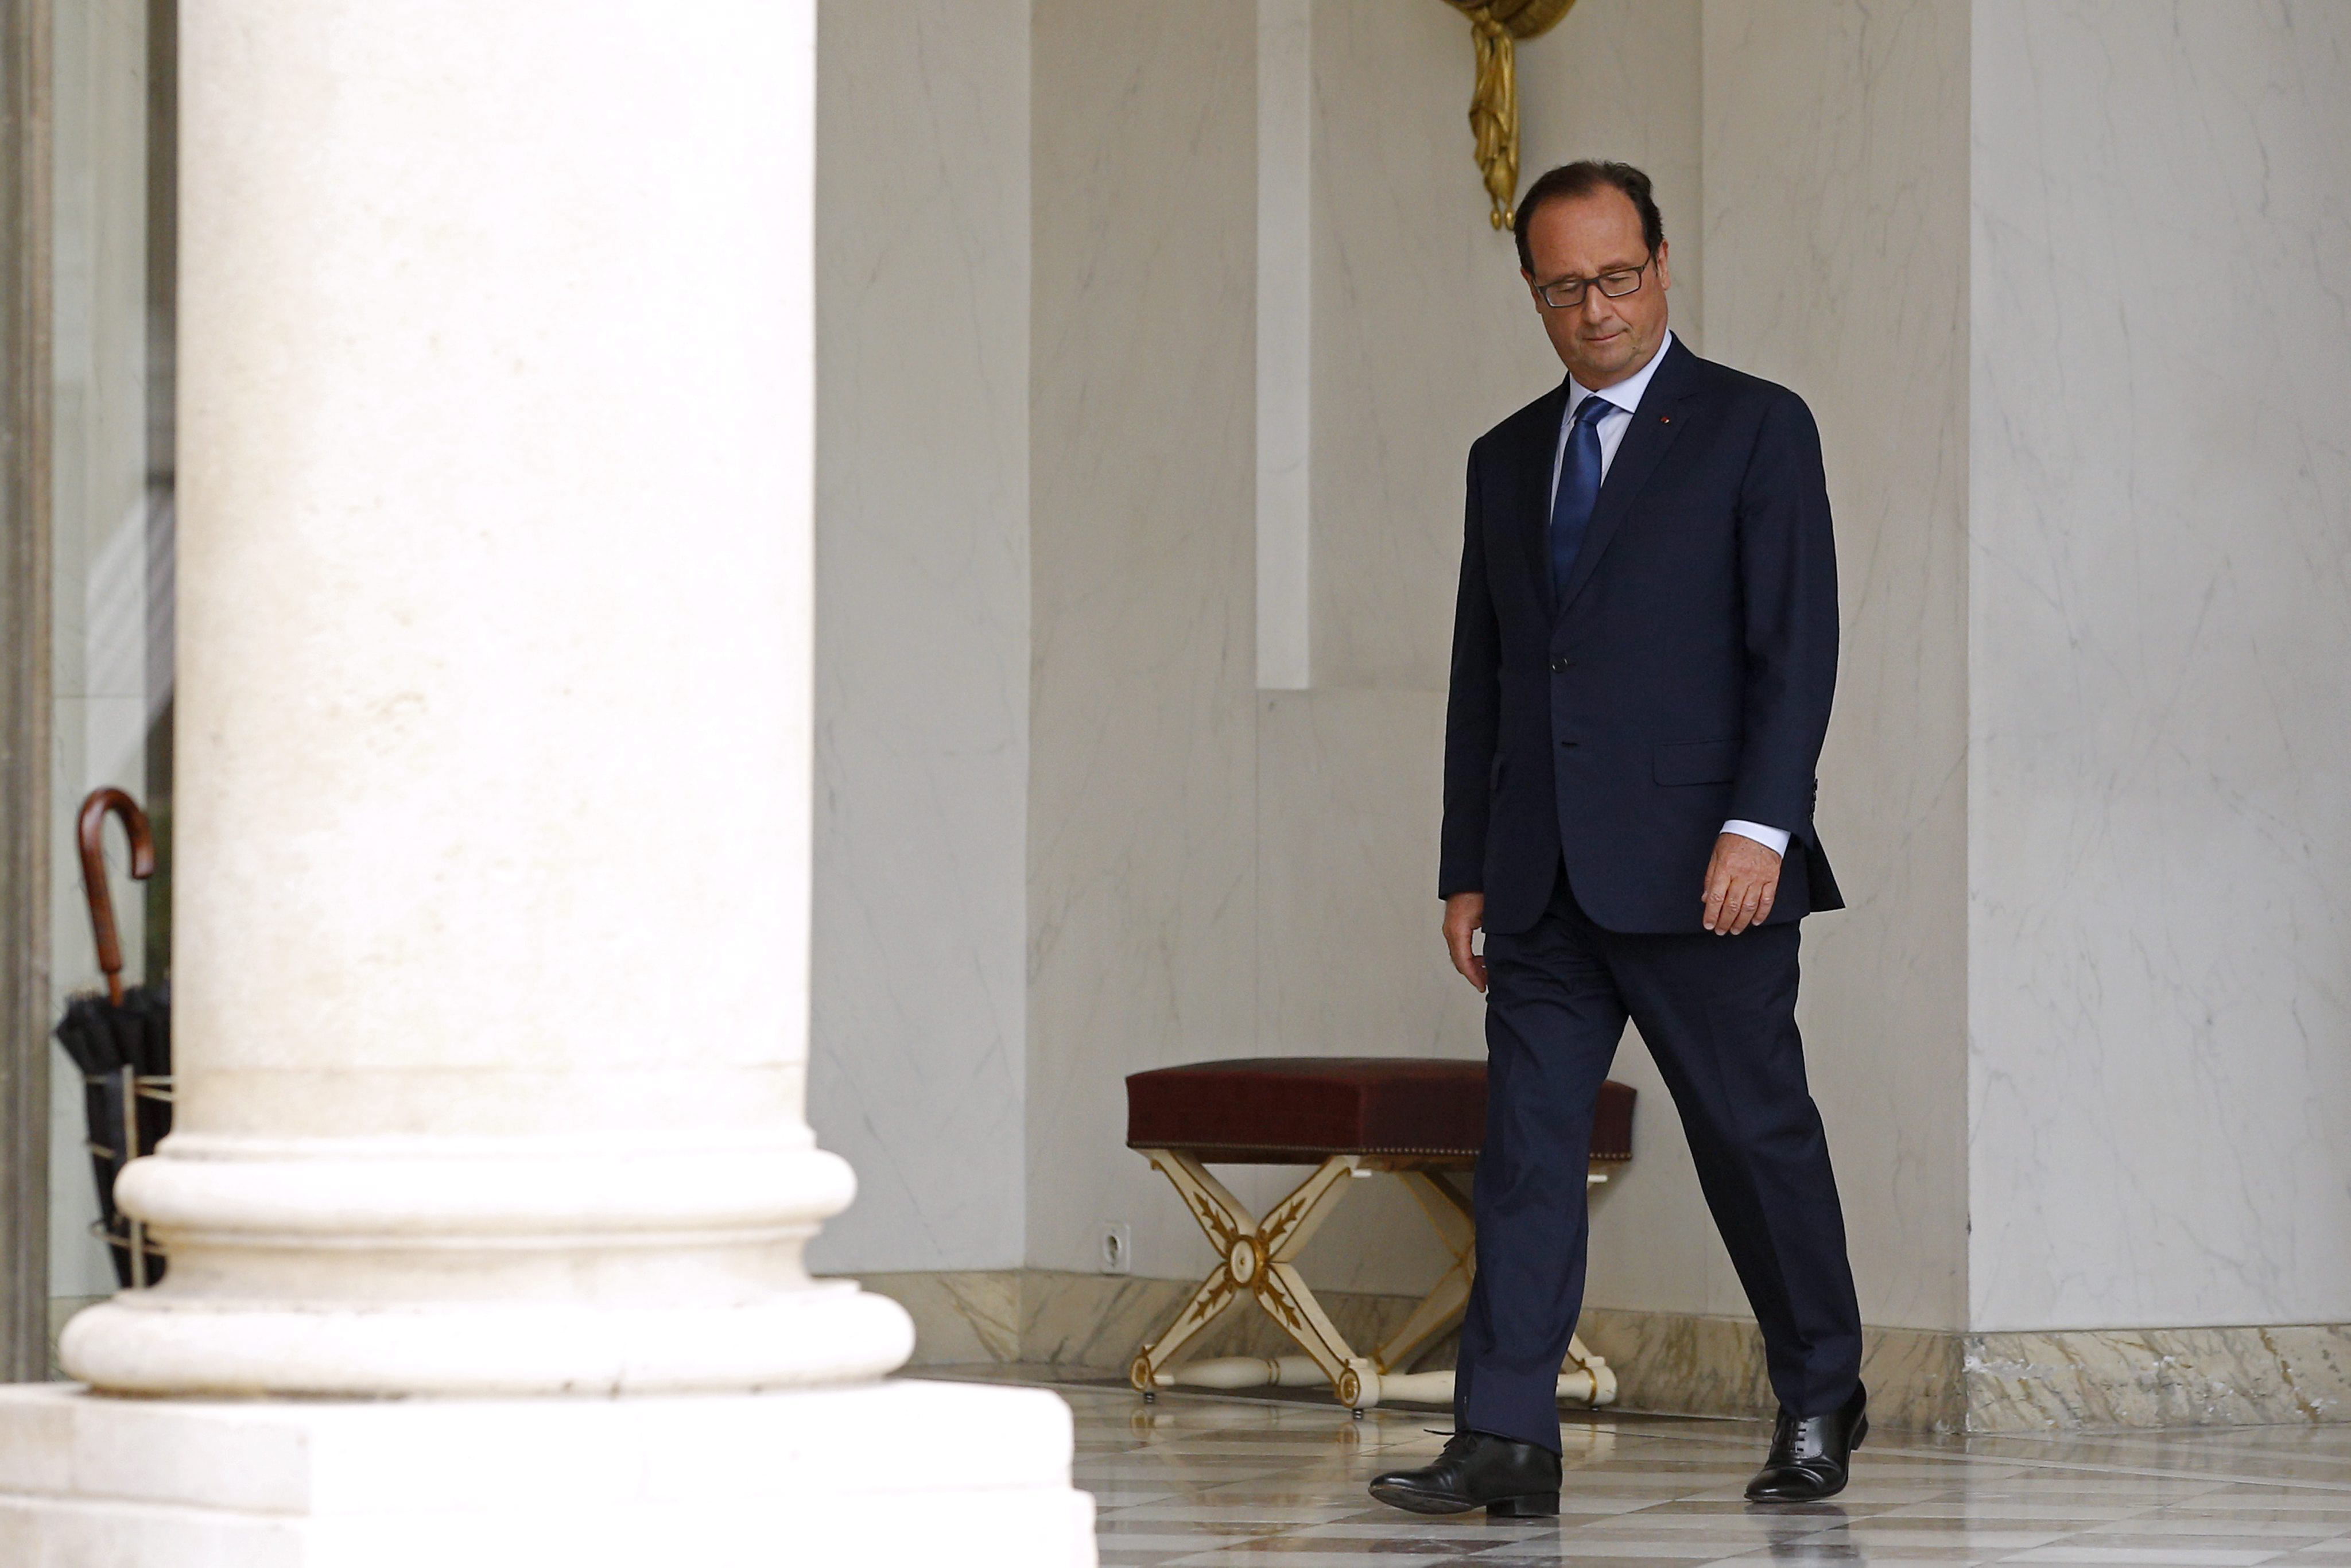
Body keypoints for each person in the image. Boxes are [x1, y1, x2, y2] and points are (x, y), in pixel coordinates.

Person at [1368, 161, 1865, 1517]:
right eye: (1562, 286)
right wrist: (1464, 861)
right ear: (1529, 292)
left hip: (1707, 870)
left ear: (1661, 261)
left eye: (1616, 276)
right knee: (1527, 1151)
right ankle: (1506, 1437)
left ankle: (1819, 1388)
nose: (1594, 308)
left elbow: (1794, 644)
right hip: (1538, 877)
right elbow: (1487, 672)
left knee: (1751, 1143)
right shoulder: (1503, 456)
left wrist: (1760, 827)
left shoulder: (1757, 428)